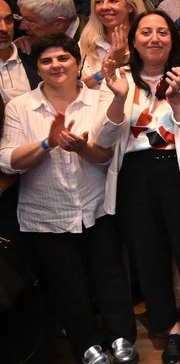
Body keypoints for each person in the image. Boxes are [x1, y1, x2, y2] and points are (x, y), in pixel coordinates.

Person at [96, 10, 180, 364]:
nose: (155, 38)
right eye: (146, 32)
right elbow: (102, 137)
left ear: (173, 38)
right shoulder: (119, 78)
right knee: (148, 255)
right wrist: (119, 98)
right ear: (134, 40)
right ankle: (170, 327)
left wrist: (177, 94)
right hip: (135, 176)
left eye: (162, 32)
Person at [0, 34, 136, 364]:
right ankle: (87, 344)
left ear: (77, 63)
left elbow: (105, 150)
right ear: (38, 67)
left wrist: (82, 145)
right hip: (46, 212)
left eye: (63, 58)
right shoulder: (21, 106)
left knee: (109, 275)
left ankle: (121, 338)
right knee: (67, 282)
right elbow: (7, 160)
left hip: (96, 204)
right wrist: (47, 144)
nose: (55, 65)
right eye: (46, 61)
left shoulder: (98, 97)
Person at [79, 0, 145, 88]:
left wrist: (118, 62)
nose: (104, 7)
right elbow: (76, 88)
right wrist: (101, 73)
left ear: (130, 6)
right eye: (99, 2)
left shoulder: (145, 41)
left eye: (113, 1)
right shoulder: (87, 42)